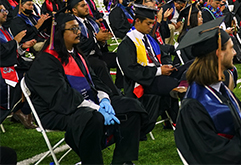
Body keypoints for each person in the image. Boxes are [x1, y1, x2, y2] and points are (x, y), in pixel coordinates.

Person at [25, 13, 149, 165]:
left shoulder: (76, 54)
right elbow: (62, 96)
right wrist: (96, 107)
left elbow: (95, 80)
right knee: (92, 118)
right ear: (59, 33)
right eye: (73, 29)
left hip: (85, 104)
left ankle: (122, 161)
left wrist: (104, 99)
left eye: (78, 28)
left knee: (131, 106)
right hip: (55, 110)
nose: (78, 32)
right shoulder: (45, 60)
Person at [175, 21, 241, 164]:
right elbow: (217, 156)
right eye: (232, 48)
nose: (235, 53)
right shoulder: (193, 106)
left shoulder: (220, 89)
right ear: (218, 53)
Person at [0, 5, 36, 129]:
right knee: (31, 80)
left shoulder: (4, 30)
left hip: (10, 66)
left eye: (5, 10)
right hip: (2, 71)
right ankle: (21, 110)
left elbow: (9, 53)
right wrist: (15, 41)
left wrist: (21, 48)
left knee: (37, 73)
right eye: (2, 11)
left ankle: (23, 110)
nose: (6, 13)